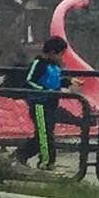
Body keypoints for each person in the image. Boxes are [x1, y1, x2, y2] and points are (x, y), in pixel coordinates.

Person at [19, 31, 73, 168]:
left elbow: (55, 81)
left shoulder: (55, 67)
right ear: (53, 52)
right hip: (39, 103)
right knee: (44, 134)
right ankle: (46, 161)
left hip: (51, 103)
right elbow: (29, 81)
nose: (62, 57)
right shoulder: (39, 64)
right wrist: (44, 90)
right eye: (60, 53)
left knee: (45, 133)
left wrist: (67, 82)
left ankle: (22, 155)